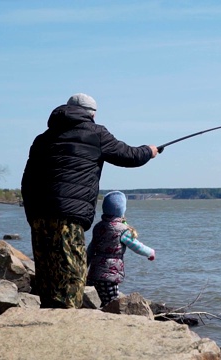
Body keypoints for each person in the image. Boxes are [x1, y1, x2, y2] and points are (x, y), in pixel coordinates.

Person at [20, 93, 158, 309]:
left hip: (39, 214)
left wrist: (31, 214)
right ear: (92, 114)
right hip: (68, 215)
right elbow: (129, 155)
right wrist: (149, 151)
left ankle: (47, 316)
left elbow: (27, 180)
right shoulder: (96, 133)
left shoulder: (42, 139)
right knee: (73, 274)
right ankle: (67, 324)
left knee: (47, 272)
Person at [87, 191, 155, 307]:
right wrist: (150, 252)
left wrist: (85, 264)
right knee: (111, 302)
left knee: (100, 300)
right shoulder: (122, 230)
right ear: (121, 210)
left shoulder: (98, 227)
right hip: (110, 275)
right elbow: (136, 246)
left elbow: (91, 248)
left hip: (94, 273)